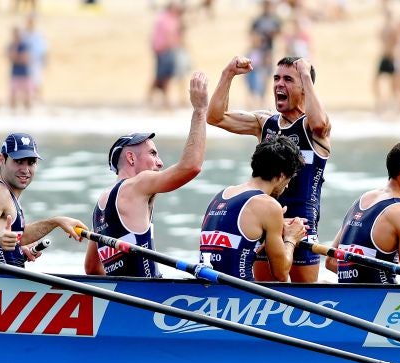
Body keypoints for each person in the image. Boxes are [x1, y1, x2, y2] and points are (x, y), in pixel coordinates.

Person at [208, 55, 331, 283]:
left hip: (301, 224)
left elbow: (319, 124)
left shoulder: (312, 127)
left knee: (304, 298)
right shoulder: (264, 123)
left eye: (287, 79)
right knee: (268, 291)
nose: (278, 85)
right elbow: (215, 117)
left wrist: (306, 74)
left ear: (304, 87)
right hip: (264, 218)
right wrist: (228, 74)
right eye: (276, 78)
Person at [85, 72, 209, 277]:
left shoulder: (99, 206)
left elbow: (92, 269)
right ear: (131, 159)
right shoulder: (137, 184)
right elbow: (191, 167)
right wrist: (200, 110)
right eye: (153, 153)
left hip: (124, 297)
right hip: (150, 296)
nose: (160, 162)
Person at [0, 133, 86, 267]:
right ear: (1, 159)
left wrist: (56, 222)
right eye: (18, 161)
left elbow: (18, 236)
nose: (25, 170)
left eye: (31, 162)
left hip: (7, 280)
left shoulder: (8, 192)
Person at [325, 141, 400, 283]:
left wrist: (360, 279)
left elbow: (331, 261)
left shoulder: (363, 200)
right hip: (380, 301)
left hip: (349, 296)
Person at [199, 136, 306, 281]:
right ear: (281, 176)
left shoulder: (222, 194)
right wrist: (291, 238)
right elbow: (281, 273)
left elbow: (236, 249)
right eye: (289, 179)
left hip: (205, 285)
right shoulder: (269, 205)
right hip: (240, 293)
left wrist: (271, 227)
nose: (287, 186)